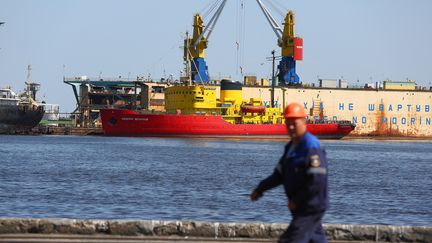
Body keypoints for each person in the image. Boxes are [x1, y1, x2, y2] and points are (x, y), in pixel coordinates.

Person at [250, 102, 328, 243]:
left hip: (310, 206)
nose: (291, 127)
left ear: (304, 122)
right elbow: (279, 175)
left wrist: (296, 200)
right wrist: (260, 189)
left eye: (295, 123)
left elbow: (316, 182)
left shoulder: (311, 146)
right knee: (316, 239)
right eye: (288, 123)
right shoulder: (291, 147)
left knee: (290, 240)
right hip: (299, 207)